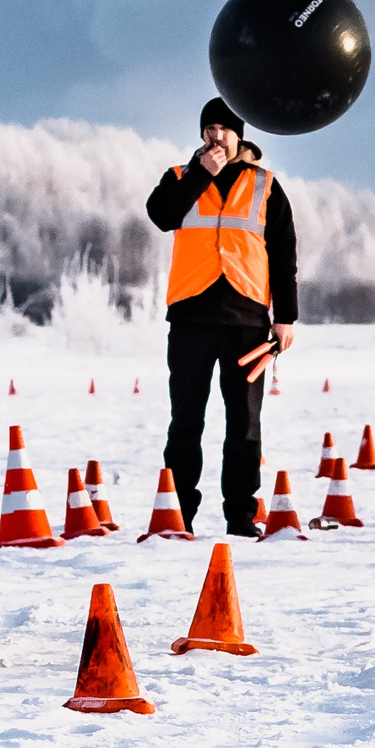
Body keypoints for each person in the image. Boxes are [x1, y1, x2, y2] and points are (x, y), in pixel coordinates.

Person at [144, 96, 298, 536]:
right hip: (191, 318)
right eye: (209, 129)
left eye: (225, 129)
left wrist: (285, 317)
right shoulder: (179, 177)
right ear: (200, 136)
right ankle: (178, 515)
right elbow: (162, 215)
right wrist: (200, 174)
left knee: (245, 426)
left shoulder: (266, 185)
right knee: (186, 422)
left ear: (240, 136)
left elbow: (284, 252)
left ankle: (241, 517)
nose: (216, 136)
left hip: (247, 321)